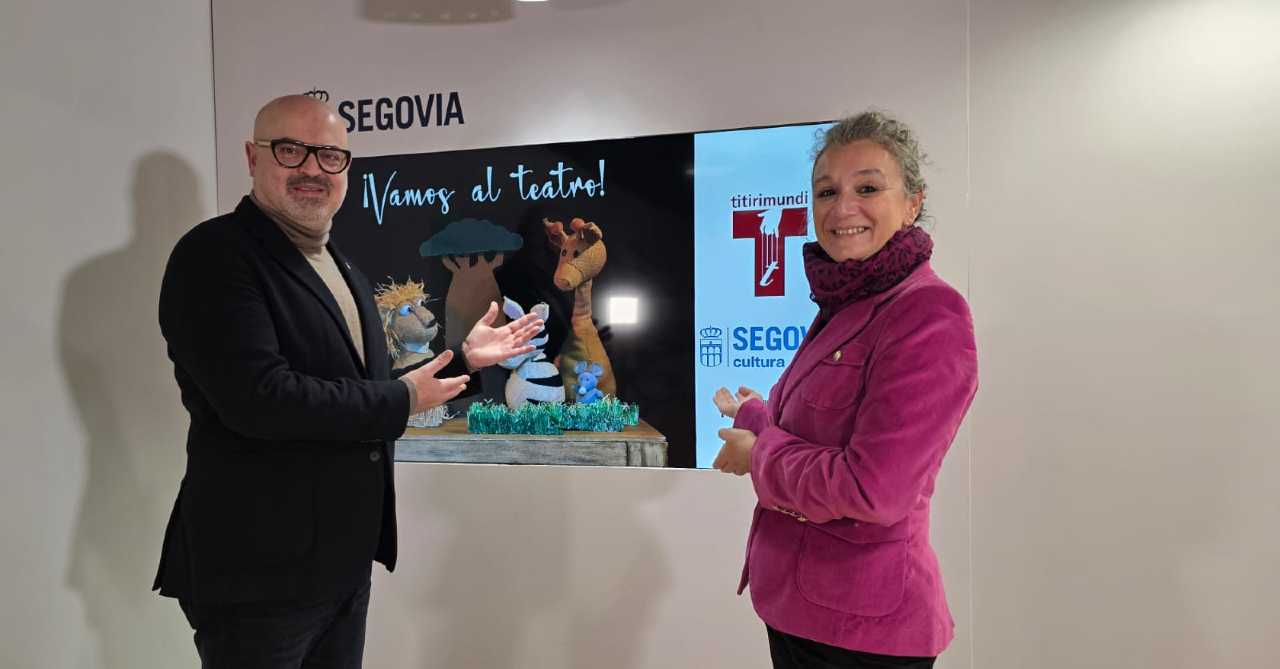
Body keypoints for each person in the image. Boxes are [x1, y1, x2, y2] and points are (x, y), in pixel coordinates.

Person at [153, 94, 543, 668]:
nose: (313, 168)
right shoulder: (214, 256)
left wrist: (464, 361)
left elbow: (364, 386)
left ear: (347, 168)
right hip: (258, 574)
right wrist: (403, 397)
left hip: (340, 565)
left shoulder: (341, 265)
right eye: (291, 150)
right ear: (252, 157)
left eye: (330, 155)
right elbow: (260, 400)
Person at [713, 110, 978, 668]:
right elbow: (820, 429)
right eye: (826, 191)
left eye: (867, 188)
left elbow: (873, 490)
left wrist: (759, 453)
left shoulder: (927, 312)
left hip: (861, 633)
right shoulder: (848, 301)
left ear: (912, 203)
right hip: (804, 612)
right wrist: (758, 415)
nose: (842, 208)